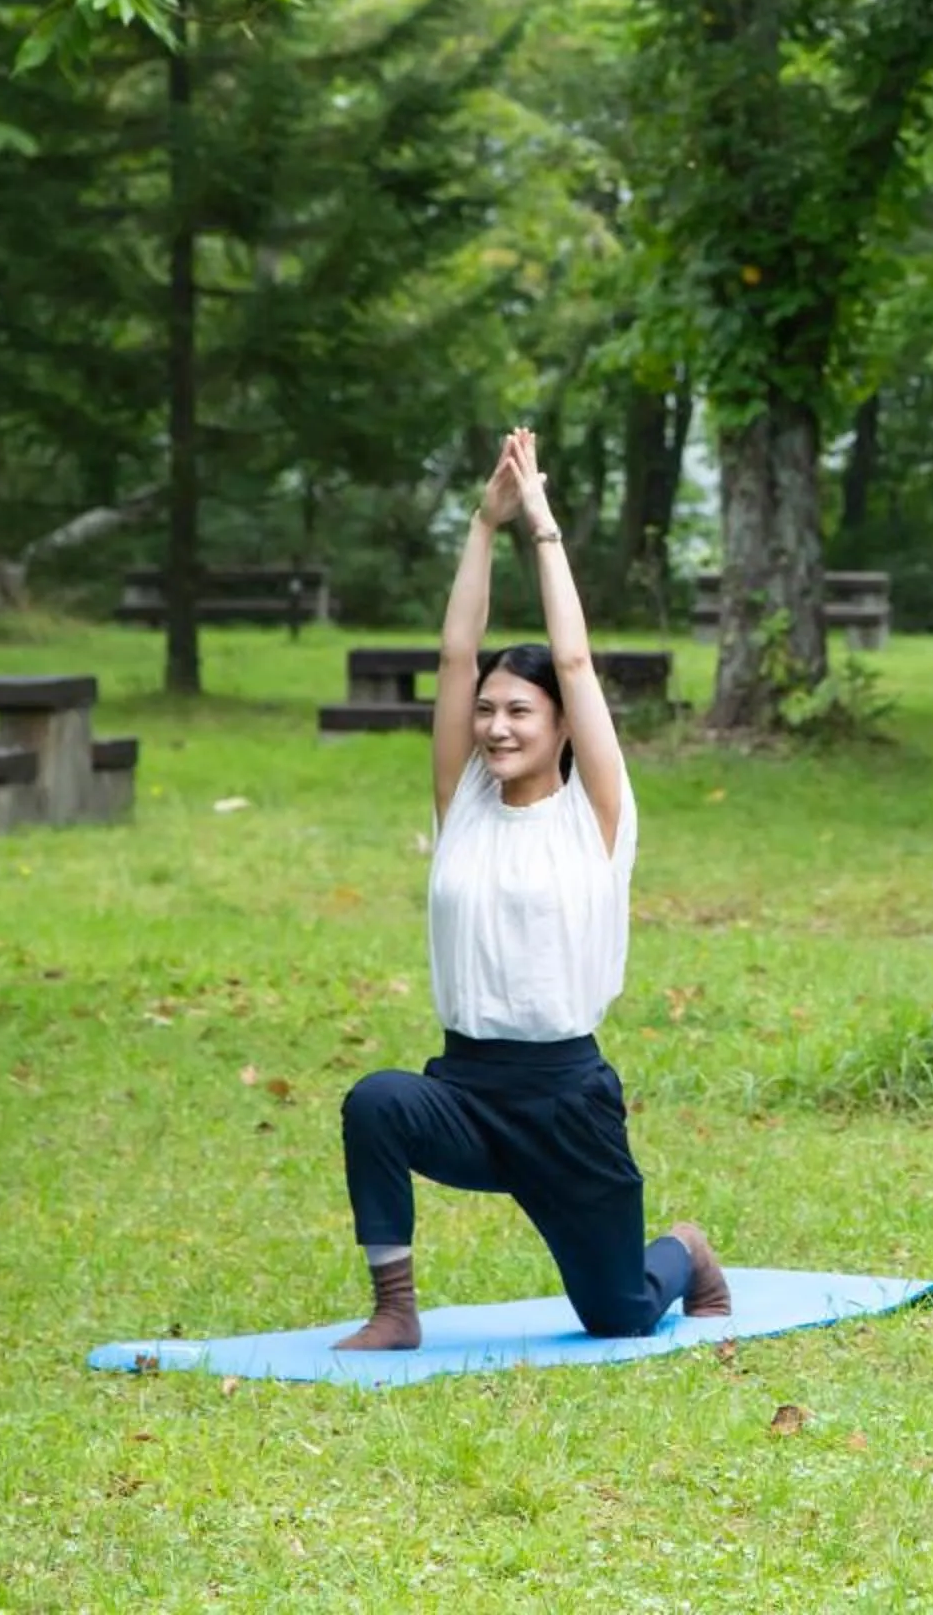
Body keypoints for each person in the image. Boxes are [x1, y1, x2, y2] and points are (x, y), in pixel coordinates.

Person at [331, 428, 729, 1350]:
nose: (496, 726)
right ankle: (395, 1310)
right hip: (465, 1091)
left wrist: (542, 526)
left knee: (620, 1317)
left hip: (567, 1104)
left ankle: (687, 1251)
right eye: (488, 711)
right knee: (375, 1102)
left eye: (520, 711)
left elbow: (579, 664)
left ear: (559, 730)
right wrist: (482, 523)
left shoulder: (596, 815)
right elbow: (452, 657)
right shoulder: (462, 803)